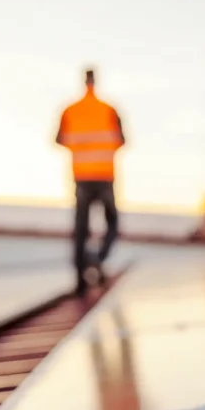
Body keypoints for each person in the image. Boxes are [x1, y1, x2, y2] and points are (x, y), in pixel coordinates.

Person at [54, 67, 126, 297]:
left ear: (83, 81)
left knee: (81, 228)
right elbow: (122, 140)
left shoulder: (70, 110)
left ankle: (80, 280)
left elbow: (59, 139)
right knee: (112, 222)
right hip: (104, 176)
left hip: (81, 177)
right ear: (96, 81)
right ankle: (97, 258)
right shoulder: (109, 110)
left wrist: (82, 145)